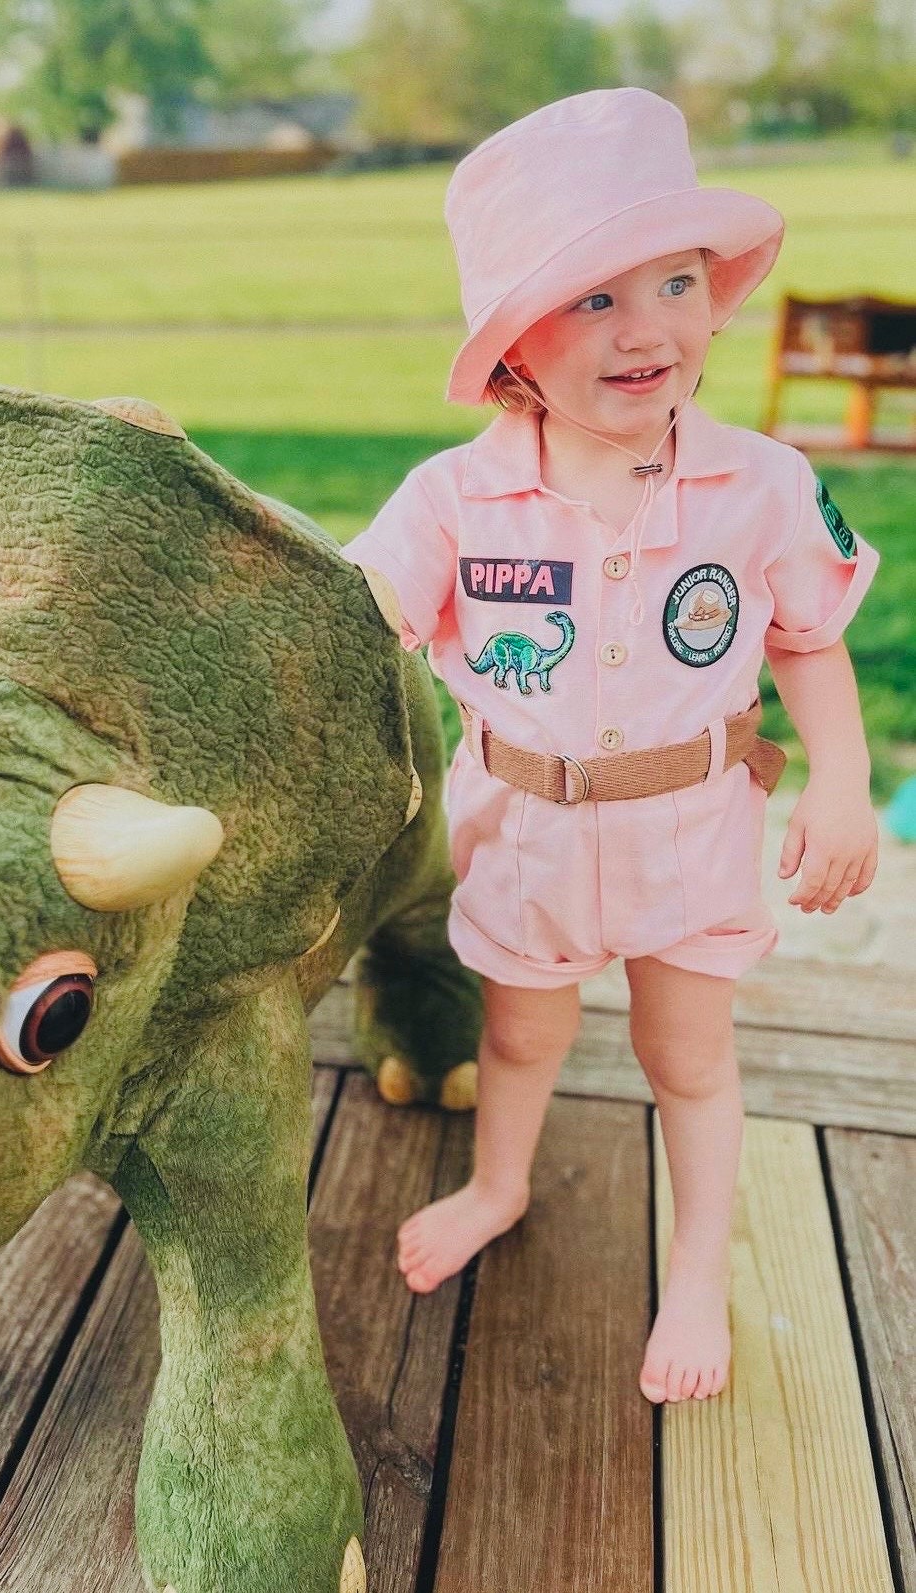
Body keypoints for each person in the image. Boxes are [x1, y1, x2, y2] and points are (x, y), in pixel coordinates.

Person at [339, 88, 879, 1404]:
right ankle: (499, 1183)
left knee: (684, 1057)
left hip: (689, 840)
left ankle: (695, 1264)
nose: (646, 329)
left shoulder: (758, 482)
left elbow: (808, 639)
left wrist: (844, 781)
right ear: (513, 344)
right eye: (593, 298)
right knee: (520, 1040)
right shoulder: (454, 498)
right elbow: (356, 615)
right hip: (520, 838)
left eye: (675, 283)